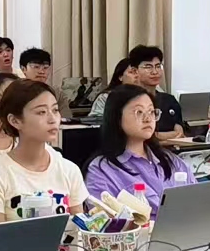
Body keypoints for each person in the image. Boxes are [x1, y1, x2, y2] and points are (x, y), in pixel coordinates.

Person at [0, 80, 89, 224]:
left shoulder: (69, 170)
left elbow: (79, 229)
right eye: (41, 112)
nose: (52, 119)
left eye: (55, 110)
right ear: (15, 121)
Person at [84, 85, 198, 216]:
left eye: (151, 112)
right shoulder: (102, 170)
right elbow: (102, 220)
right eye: (139, 112)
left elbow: (198, 202)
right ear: (117, 117)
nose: (148, 119)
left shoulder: (172, 161)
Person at [126, 45, 184, 139]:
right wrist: (166, 136)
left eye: (158, 66)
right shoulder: (128, 100)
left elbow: (179, 133)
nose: (155, 72)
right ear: (135, 71)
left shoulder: (169, 100)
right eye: (148, 67)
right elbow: (139, 136)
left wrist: (157, 137)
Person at [88, 58, 134, 122]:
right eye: (132, 72)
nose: (136, 76)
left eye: (138, 73)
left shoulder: (144, 96)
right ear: (120, 77)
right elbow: (95, 121)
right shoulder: (106, 97)